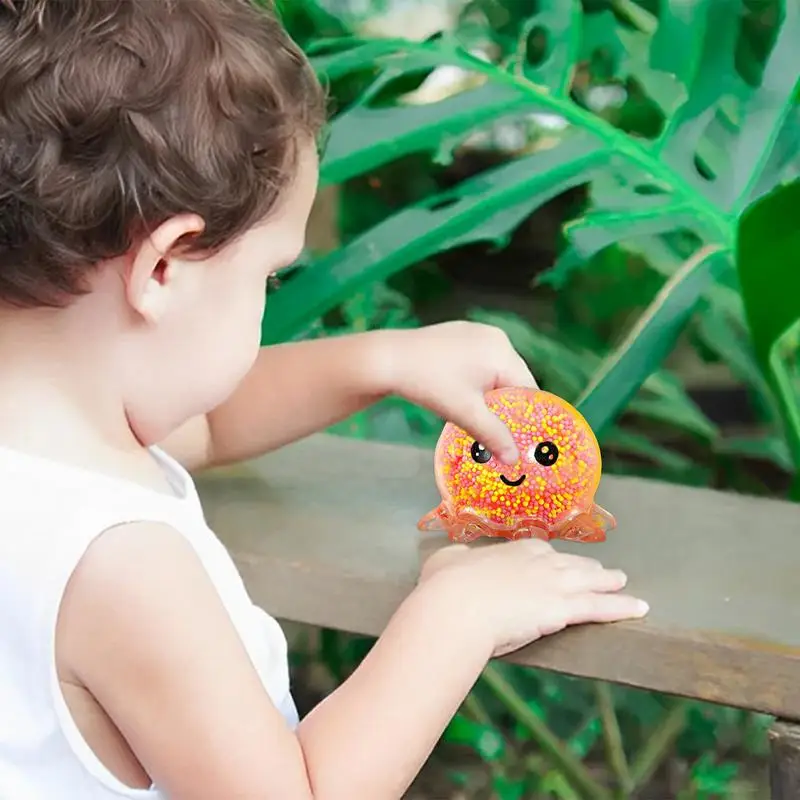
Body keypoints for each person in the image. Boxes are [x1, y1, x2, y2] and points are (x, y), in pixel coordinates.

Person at [0, 1, 649, 798]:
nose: (269, 292)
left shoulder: (56, 447)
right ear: (163, 267)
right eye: (269, 275)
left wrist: (379, 359)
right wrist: (457, 615)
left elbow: (203, 426)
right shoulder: (122, 566)